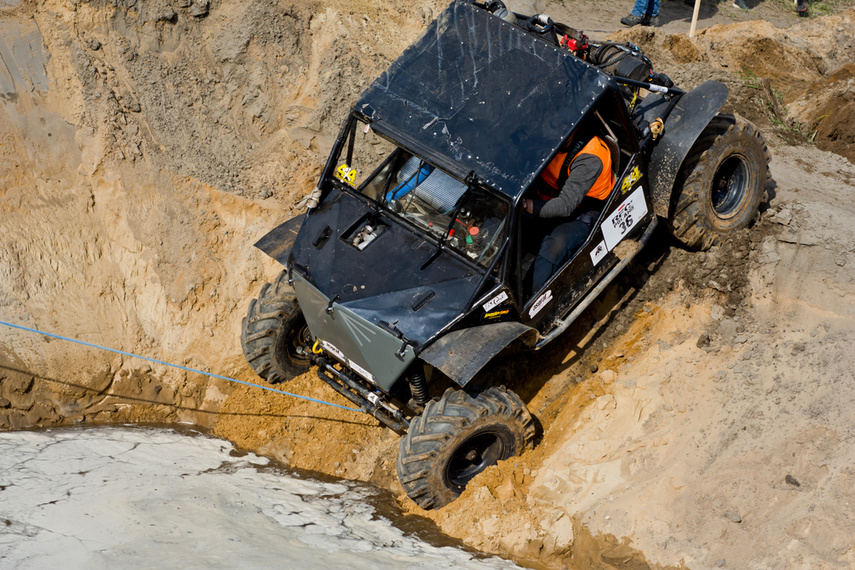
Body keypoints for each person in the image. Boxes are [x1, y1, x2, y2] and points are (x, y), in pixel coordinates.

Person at [522, 133, 615, 292]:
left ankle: (535, 302)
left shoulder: (590, 157)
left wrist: (525, 205)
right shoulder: (545, 136)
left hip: (582, 212)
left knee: (555, 246)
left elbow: (566, 205)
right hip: (548, 195)